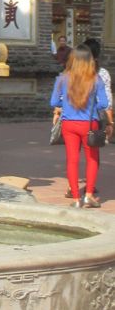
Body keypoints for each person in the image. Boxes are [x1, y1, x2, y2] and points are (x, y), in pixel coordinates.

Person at [50, 44, 113, 208]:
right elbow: (104, 104)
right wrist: (90, 105)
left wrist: (67, 103)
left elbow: (54, 102)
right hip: (89, 124)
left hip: (69, 124)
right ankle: (89, 196)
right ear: (89, 60)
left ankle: (76, 198)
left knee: (72, 160)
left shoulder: (62, 78)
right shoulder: (95, 79)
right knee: (92, 159)